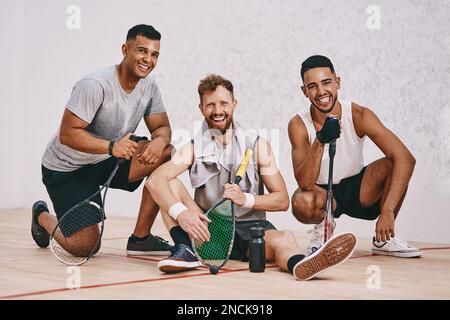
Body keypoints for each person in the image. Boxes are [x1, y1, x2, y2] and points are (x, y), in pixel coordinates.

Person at [146, 74, 357, 281]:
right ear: (201, 108)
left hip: (252, 230)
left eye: (223, 103)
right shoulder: (192, 148)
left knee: (284, 239)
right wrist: (182, 213)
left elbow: (282, 200)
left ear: (234, 104)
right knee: (169, 183)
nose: (218, 111)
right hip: (208, 230)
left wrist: (245, 199)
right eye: (210, 105)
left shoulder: (257, 146)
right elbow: (154, 181)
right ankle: (185, 249)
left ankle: (301, 265)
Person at [31, 24, 174, 257]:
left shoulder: (149, 86)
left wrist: (159, 141)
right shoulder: (95, 85)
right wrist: (111, 147)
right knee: (85, 247)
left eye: (154, 54)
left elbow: (162, 127)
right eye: (141, 51)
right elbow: (68, 134)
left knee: (167, 153)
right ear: (125, 49)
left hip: (109, 158)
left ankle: (140, 239)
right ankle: (41, 216)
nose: (148, 59)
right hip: (67, 169)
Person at [288, 55, 421, 258]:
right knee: (301, 202)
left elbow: (405, 158)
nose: (321, 91)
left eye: (326, 83)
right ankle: (324, 227)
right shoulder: (298, 125)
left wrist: (387, 211)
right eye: (312, 86)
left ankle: (384, 239)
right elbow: (305, 182)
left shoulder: (359, 115)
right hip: (323, 195)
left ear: (337, 82)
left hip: (360, 190)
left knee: (395, 165)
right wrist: (320, 140)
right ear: (304, 91)